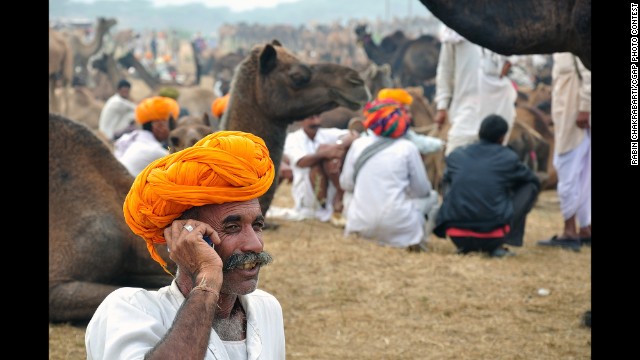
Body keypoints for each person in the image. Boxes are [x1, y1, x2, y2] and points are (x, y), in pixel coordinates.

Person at [85, 131, 285, 359]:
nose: (255, 244)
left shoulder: (267, 309)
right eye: (232, 227)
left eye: (257, 225)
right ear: (186, 237)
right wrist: (207, 280)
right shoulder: (128, 310)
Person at [433, 114, 541, 257]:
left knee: (449, 181)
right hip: (491, 237)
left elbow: (445, 183)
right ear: (502, 137)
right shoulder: (508, 157)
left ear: (479, 133)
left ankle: (462, 232)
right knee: (529, 186)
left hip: (457, 236)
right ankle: (508, 238)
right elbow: (532, 179)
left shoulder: (457, 155)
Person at [339, 97, 437, 252]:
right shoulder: (408, 148)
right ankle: (418, 242)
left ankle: (357, 228)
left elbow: (346, 184)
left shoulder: (358, 145)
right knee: (432, 197)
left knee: (350, 195)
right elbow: (422, 191)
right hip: (400, 227)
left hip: (360, 224)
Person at [537, 52, 591, 251]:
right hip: (570, 114)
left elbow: (589, 72)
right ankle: (585, 228)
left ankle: (570, 230)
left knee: (567, 167)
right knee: (584, 172)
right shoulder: (562, 47)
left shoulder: (574, 40)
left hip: (574, 116)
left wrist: (585, 107)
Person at [283, 114, 358, 227]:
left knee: (331, 157)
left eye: (317, 117)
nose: (316, 122)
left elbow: (354, 135)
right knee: (322, 155)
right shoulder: (293, 138)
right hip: (307, 194)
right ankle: (333, 200)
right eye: (311, 118)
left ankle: (339, 194)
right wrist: (325, 154)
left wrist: (339, 146)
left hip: (330, 188)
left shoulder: (326, 133)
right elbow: (301, 162)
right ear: (300, 121)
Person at [433, 26, 482, 156]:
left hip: (497, 105)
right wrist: (442, 106)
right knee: (454, 155)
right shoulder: (455, 27)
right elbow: (445, 69)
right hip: (465, 107)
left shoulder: (502, 22)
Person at [113, 96, 177, 176]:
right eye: (169, 125)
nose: (171, 130)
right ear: (158, 126)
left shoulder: (135, 139)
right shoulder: (155, 151)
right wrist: (169, 139)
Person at [476, 48, 518, 145]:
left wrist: (507, 64)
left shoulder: (506, 86)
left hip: (501, 87)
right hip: (483, 83)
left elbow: (512, 58)